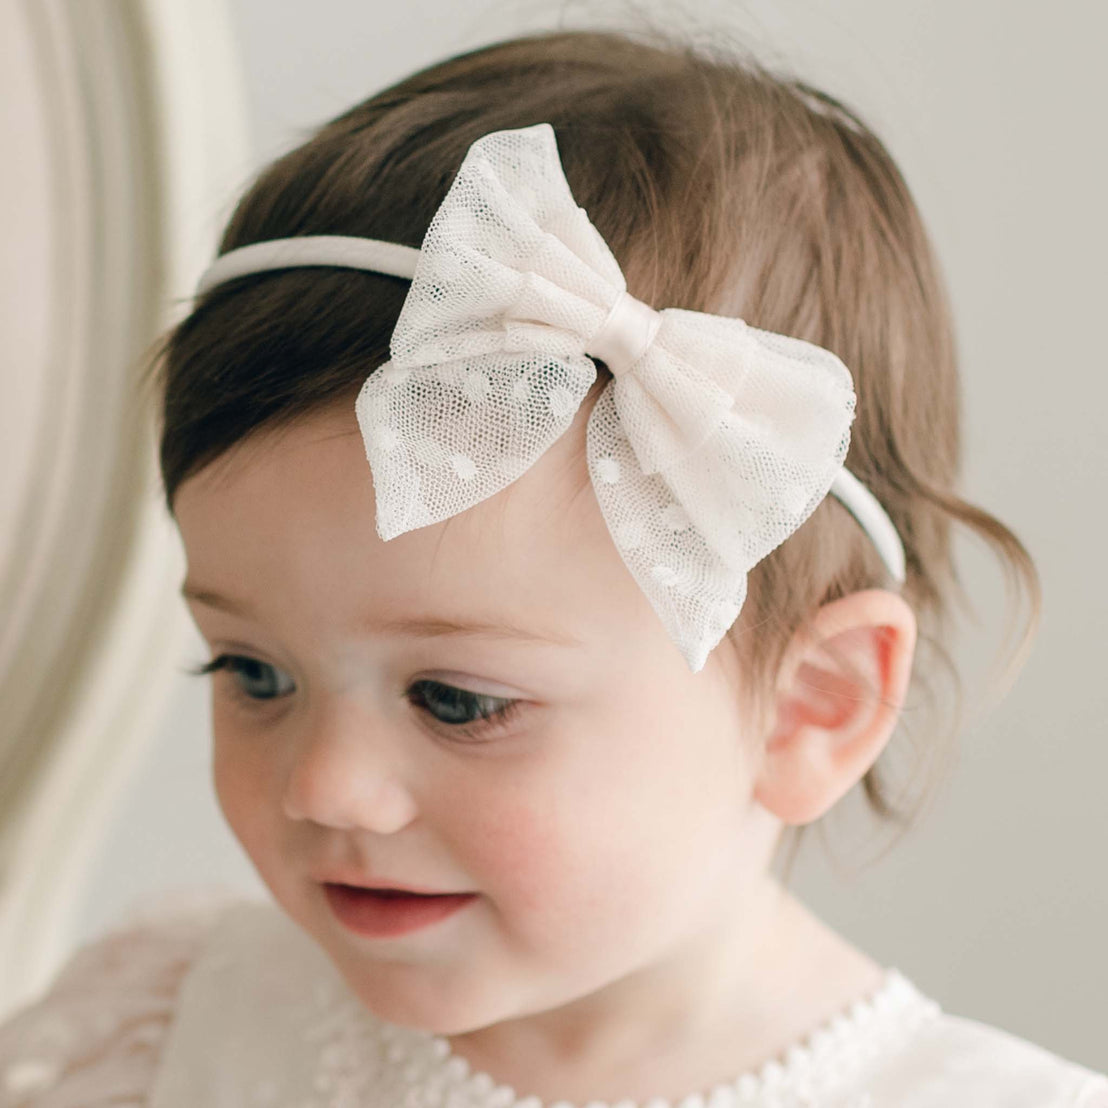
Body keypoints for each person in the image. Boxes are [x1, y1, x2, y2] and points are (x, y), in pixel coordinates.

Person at [1, 25, 1105, 1108]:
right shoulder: (178, 1032)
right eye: (252, 672)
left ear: (810, 706)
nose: (323, 785)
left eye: (456, 699)